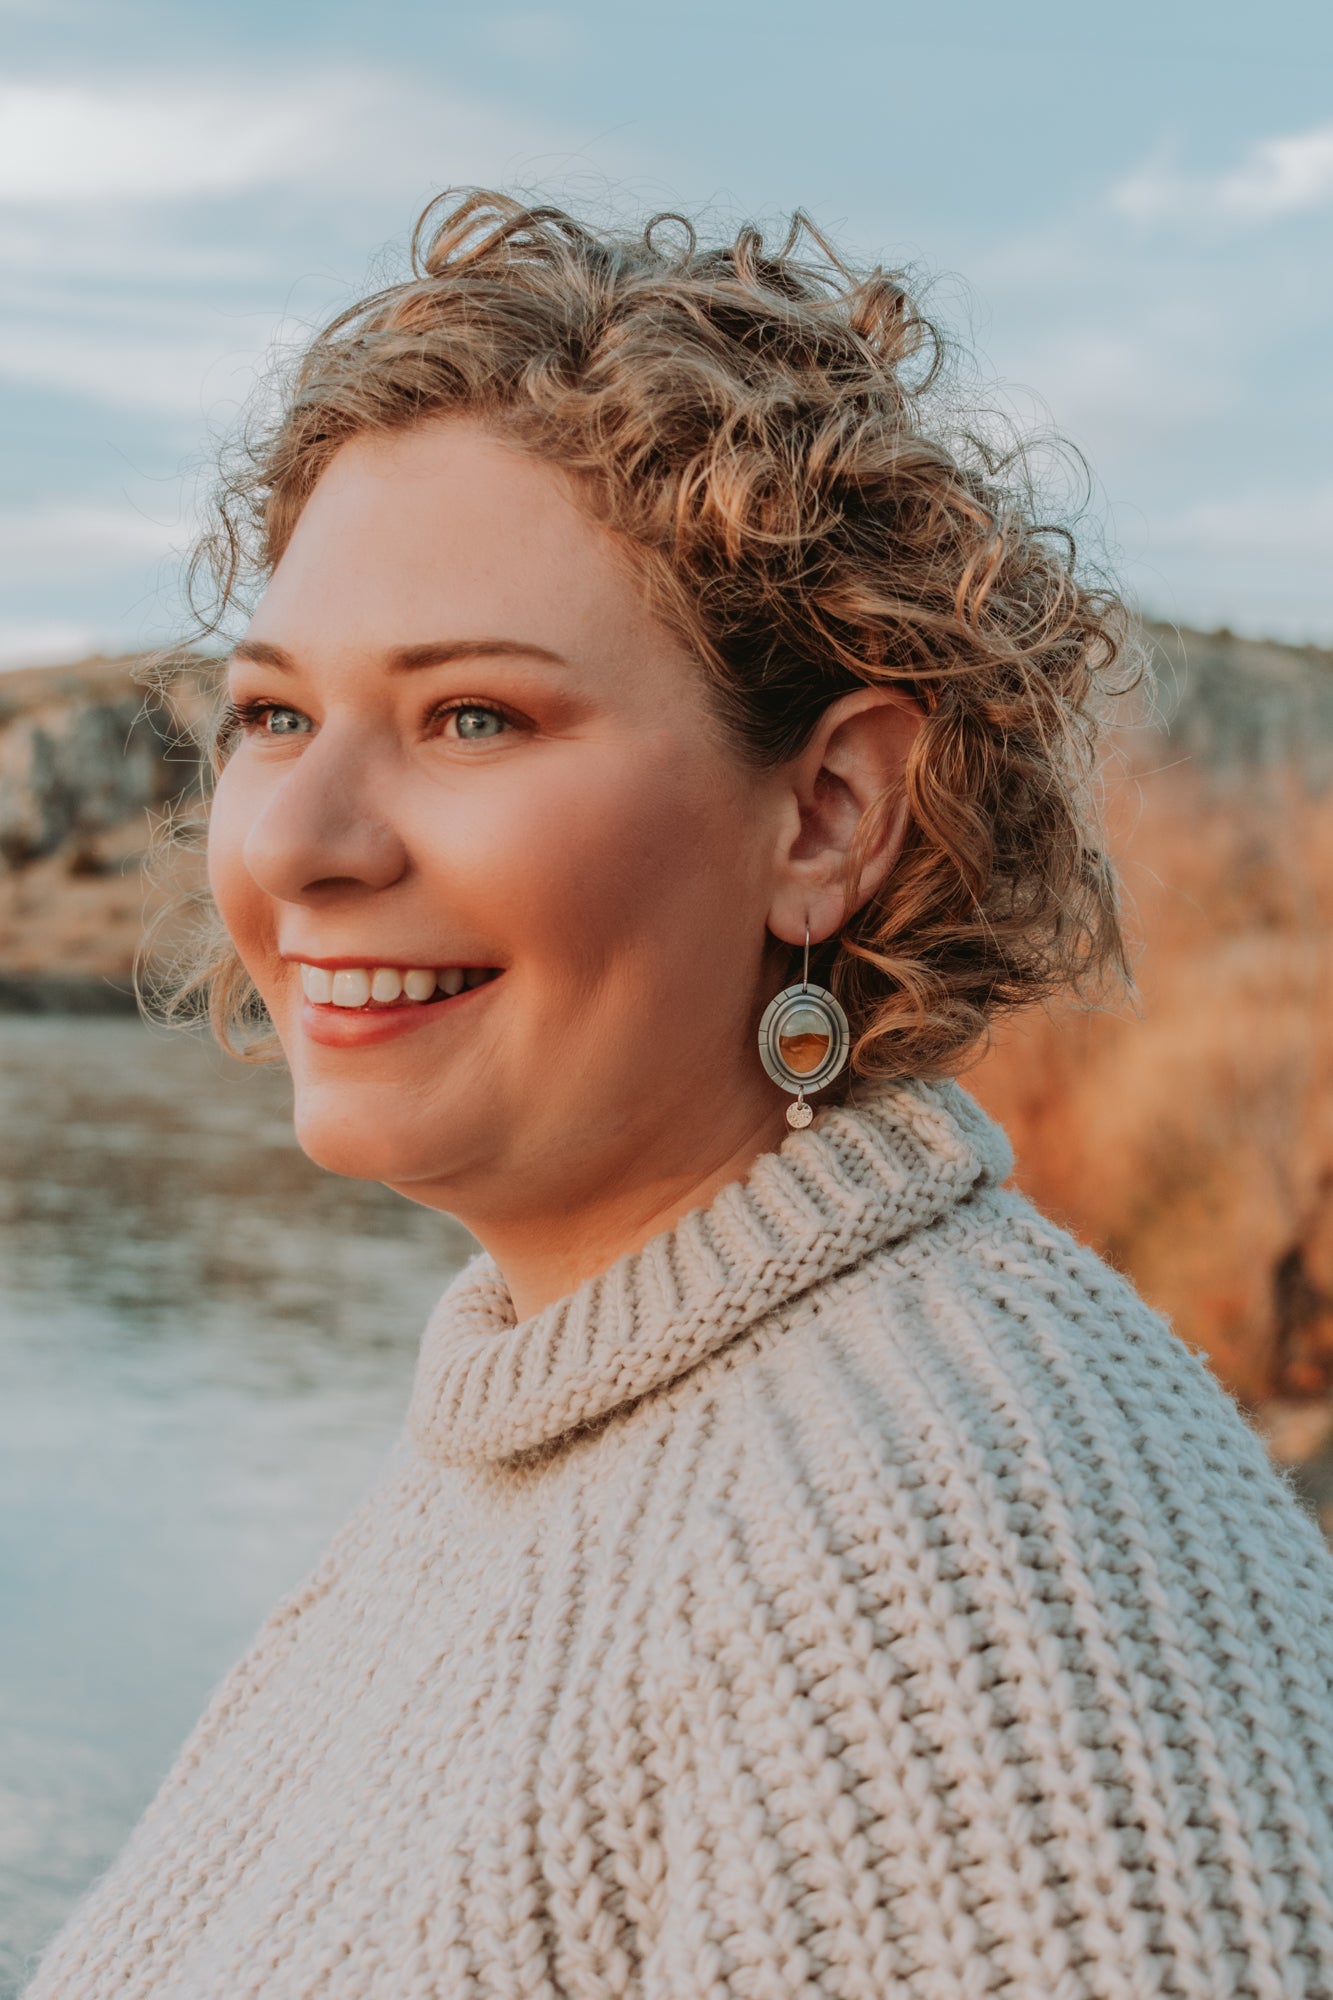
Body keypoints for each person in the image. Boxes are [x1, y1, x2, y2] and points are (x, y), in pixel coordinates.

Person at [27, 190, 1333, 1999]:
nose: (303, 848)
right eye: (271, 716)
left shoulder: (955, 1578)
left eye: (472, 716)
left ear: (827, 816)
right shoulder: (551, 1426)